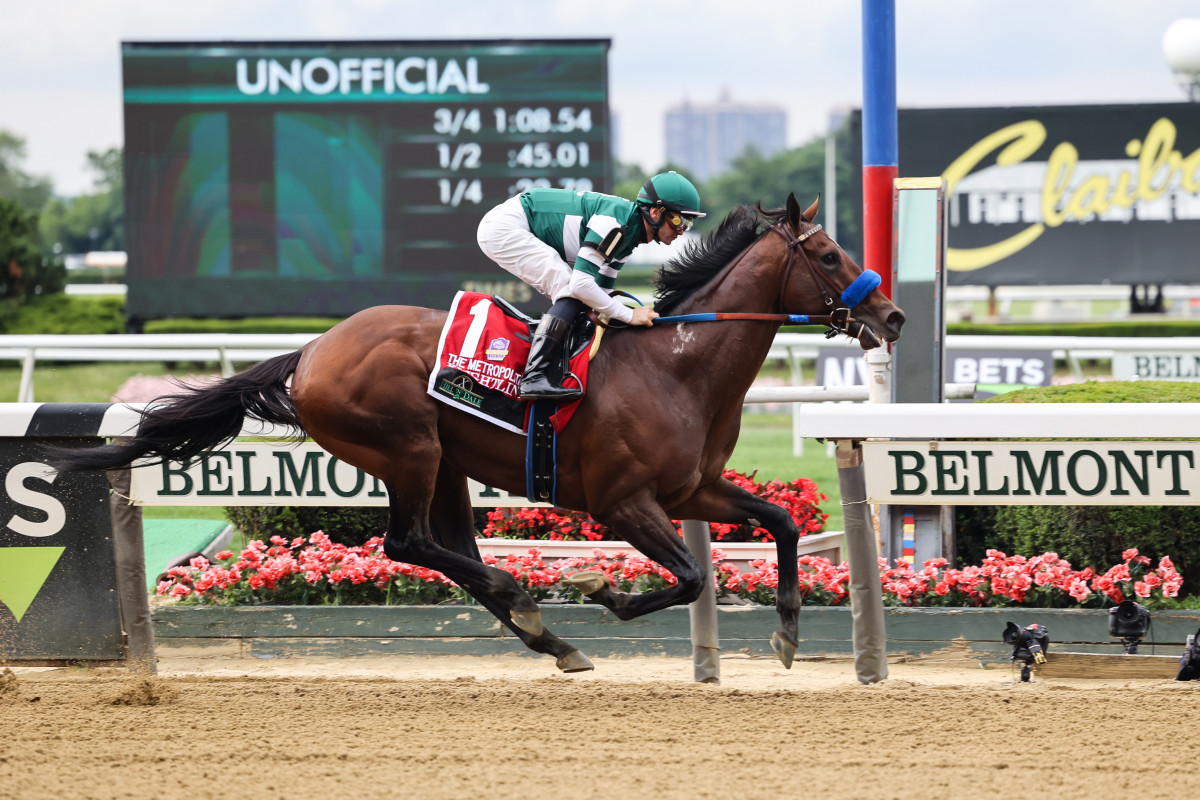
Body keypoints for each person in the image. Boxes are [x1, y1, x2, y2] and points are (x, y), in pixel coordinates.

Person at [477, 171, 705, 400]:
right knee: (570, 289)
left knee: (581, 296)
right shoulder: (616, 224)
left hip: (515, 223)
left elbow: (601, 292)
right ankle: (533, 376)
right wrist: (629, 315)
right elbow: (581, 286)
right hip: (506, 227)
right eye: (678, 220)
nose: (682, 229)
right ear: (655, 213)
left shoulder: (631, 235)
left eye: (688, 222)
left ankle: (557, 364)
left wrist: (627, 317)